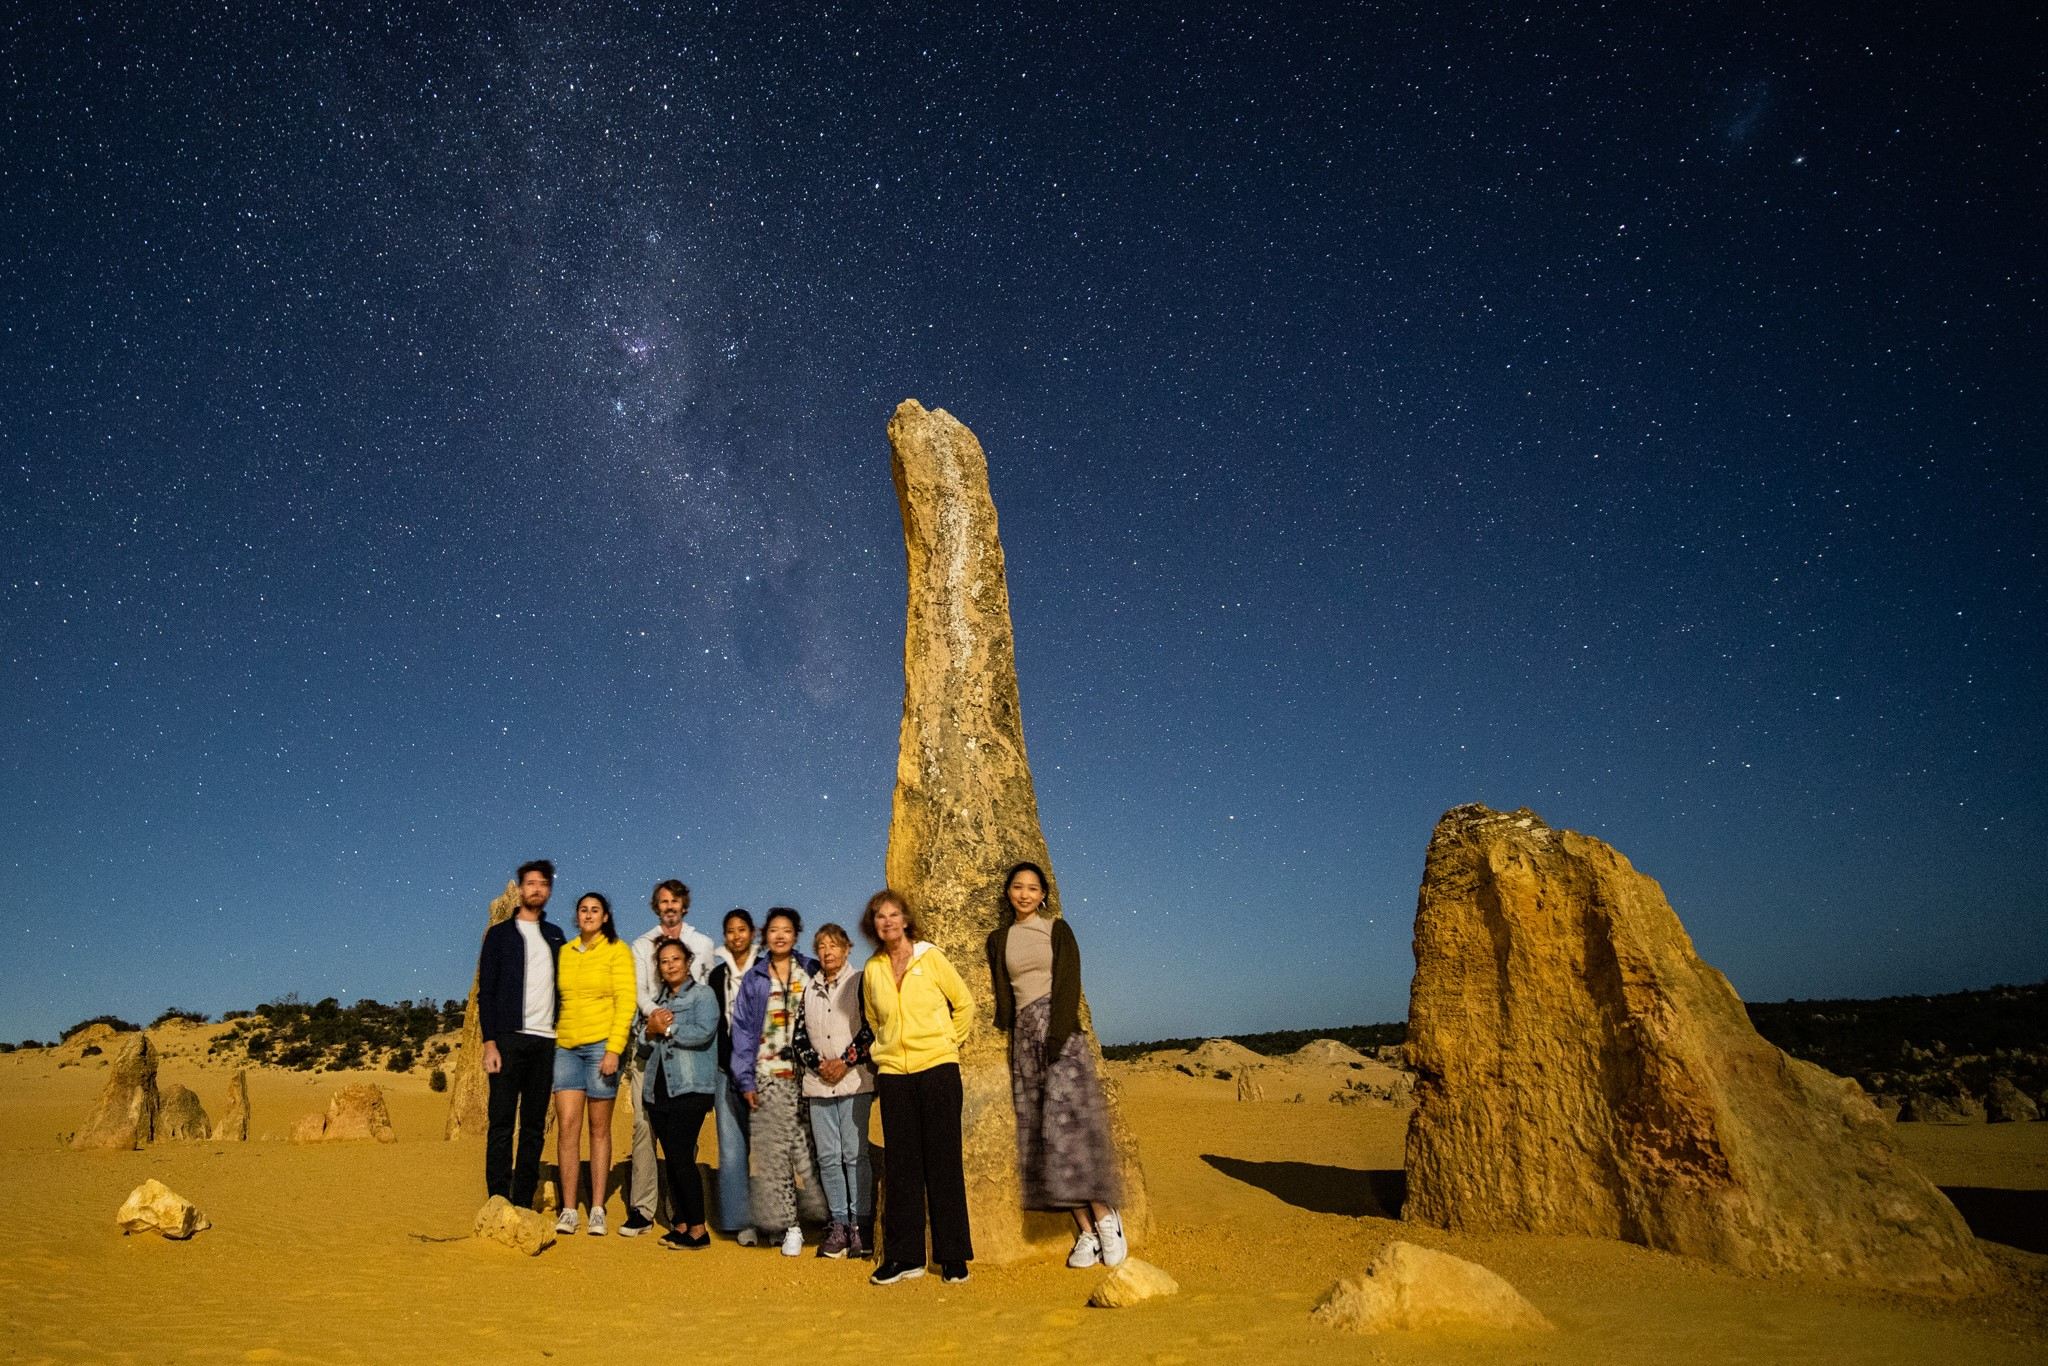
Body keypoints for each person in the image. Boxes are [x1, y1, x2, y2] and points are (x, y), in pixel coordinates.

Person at [986, 860, 1128, 1268]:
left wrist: (1056, 1037)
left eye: (1033, 888)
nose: (1024, 894)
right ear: (1008, 892)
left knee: (1072, 1129)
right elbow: (1004, 990)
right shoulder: (999, 939)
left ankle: (1106, 1217)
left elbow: (1068, 985)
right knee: (1042, 1134)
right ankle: (1085, 1231)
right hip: (1024, 1039)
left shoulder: (1057, 931)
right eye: (1018, 887)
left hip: (1060, 1033)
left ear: (1043, 895)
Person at [861, 889, 974, 1285]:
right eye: (880, 916)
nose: (887, 921)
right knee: (902, 1167)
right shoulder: (873, 968)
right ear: (873, 925)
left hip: (938, 1070)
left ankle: (953, 1256)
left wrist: (946, 1044)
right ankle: (904, 1257)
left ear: (906, 920)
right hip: (894, 1074)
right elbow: (874, 1019)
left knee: (944, 1163)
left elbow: (964, 1004)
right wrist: (886, 1052)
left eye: (894, 914)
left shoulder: (931, 957)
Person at [730, 906, 827, 1255]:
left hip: (810, 1077)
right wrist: (745, 1080)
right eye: (773, 930)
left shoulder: (811, 970)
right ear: (765, 936)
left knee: (814, 1150)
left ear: (796, 934)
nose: (780, 935)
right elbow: (742, 1032)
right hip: (769, 1076)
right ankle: (792, 1227)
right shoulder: (755, 978)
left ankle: (831, 1221)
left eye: (786, 929)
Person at [622, 879, 716, 1238]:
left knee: (681, 1141)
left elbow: (703, 1001)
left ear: (684, 905)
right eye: (663, 901)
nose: (669, 906)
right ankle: (644, 1209)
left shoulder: (702, 944)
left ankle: (684, 1214)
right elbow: (640, 993)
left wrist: (671, 1025)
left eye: (675, 900)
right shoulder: (641, 945)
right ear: (656, 907)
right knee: (645, 1129)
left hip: (688, 1061)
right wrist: (657, 1020)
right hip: (651, 1048)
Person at [477, 859, 566, 1208]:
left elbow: (566, 988)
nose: (536, 889)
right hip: (508, 1039)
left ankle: (523, 1200)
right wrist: (490, 1042)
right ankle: (498, 1199)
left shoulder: (556, 936)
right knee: (501, 1122)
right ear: (520, 889)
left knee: (533, 1126)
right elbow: (486, 991)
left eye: (542, 884)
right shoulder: (500, 935)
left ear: (548, 890)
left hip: (545, 1041)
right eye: (530, 883)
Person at [552, 891, 636, 1236]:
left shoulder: (617, 950)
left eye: (595, 910)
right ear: (577, 916)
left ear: (605, 917)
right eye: (583, 910)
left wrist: (614, 1049)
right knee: (567, 1127)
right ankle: (569, 1208)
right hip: (566, 1047)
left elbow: (626, 1000)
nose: (588, 915)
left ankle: (598, 1208)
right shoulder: (565, 952)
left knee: (599, 1128)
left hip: (602, 1046)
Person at [794, 921, 875, 1258]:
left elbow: (870, 1029)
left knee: (855, 1156)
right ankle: (839, 1225)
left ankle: (860, 1226)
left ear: (846, 949)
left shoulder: (860, 983)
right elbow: (799, 1037)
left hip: (854, 1081)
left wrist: (843, 1062)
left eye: (834, 945)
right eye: (822, 946)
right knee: (828, 1158)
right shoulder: (809, 989)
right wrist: (820, 1065)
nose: (827, 952)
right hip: (818, 1085)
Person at [638, 937, 720, 1250]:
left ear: (687, 963)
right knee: (672, 1157)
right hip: (658, 1089)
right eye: (664, 961)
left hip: (691, 1087)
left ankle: (699, 1229)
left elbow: (704, 1032)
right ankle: (682, 1223)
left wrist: (667, 1029)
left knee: (682, 1155)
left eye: (675, 959)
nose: (670, 965)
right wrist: (650, 1030)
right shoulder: (657, 1001)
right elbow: (643, 1042)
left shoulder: (703, 995)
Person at [705, 908, 758, 1242]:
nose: (736, 936)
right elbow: (716, 1027)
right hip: (726, 1072)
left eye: (742, 929)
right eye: (730, 931)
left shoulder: (767, 970)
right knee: (733, 1149)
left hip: (765, 1073)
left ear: (752, 933)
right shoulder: (717, 976)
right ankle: (742, 1222)